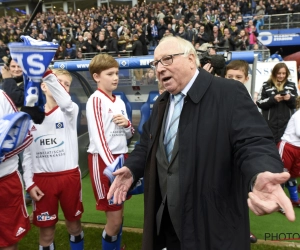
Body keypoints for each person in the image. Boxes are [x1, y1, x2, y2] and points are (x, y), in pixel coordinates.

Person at [107, 36, 295, 250]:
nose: (159, 69)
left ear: (190, 59)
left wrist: (261, 172)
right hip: (166, 221)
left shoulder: (228, 92)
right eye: (156, 63)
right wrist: (132, 169)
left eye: (167, 59)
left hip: (211, 226)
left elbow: (253, 142)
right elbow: (147, 144)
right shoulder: (162, 102)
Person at [22, 69, 84, 250]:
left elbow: (64, 101)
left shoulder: (70, 110)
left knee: (74, 226)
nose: (63, 87)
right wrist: (29, 184)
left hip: (69, 177)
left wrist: (48, 73)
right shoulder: (30, 117)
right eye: (59, 83)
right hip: (42, 181)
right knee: (46, 233)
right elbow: (26, 153)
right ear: (43, 86)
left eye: (67, 84)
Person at [86, 54, 134, 250]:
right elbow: (99, 139)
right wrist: (115, 168)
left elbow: (129, 135)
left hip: (121, 158)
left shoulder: (120, 101)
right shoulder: (95, 100)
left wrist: (127, 124)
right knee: (114, 220)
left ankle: (116, 247)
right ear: (97, 77)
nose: (115, 77)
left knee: (119, 213)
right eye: (110, 73)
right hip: (103, 162)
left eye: (116, 73)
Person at [225, 59, 257, 244]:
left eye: (239, 77)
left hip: (240, 162)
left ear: (246, 78)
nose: (234, 80)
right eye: (230, 77)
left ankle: (243, 231)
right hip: (220, 160)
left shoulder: (250, 102)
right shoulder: (216, 99)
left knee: (241, 198)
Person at [0, 90, 33, 250]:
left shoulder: (2, 97)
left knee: (10, 241)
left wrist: (1, 155)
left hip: (6, 180)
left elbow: (25, 138)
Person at [257, 62, 298, 144]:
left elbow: (297, 104)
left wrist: (290, 98)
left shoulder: (292, 85)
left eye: (283, 73)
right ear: (274, 73)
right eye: (278, 73)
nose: (281, 76)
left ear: (287, 74)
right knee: (271, 148)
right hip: (270, 125)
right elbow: (259, 103)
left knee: (284, 152)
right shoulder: (266, 85)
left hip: (287, 125)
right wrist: (273, 99)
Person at [278, 96, 300, 207]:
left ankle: (295, 200)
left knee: (293, 175)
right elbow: (299, 132)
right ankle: (279, 201)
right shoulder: (298, 115)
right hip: (288, 147)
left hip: (298, 149)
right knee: (282, 173)